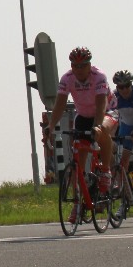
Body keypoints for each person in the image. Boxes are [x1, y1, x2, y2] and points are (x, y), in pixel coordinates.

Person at [45, 47, 115, 192]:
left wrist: (97, 125)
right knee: (79, 154)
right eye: (75, 66)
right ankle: (79, 193)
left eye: (83, 65)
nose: (79, 70)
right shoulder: (67, 78)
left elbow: (101, 103)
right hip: (83, 115)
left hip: (107, 111)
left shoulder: (99, 76)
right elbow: (60, 105)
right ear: (71, 66)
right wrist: (50, 127)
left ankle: (106, 171)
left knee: (103, 129)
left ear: (89, 65)